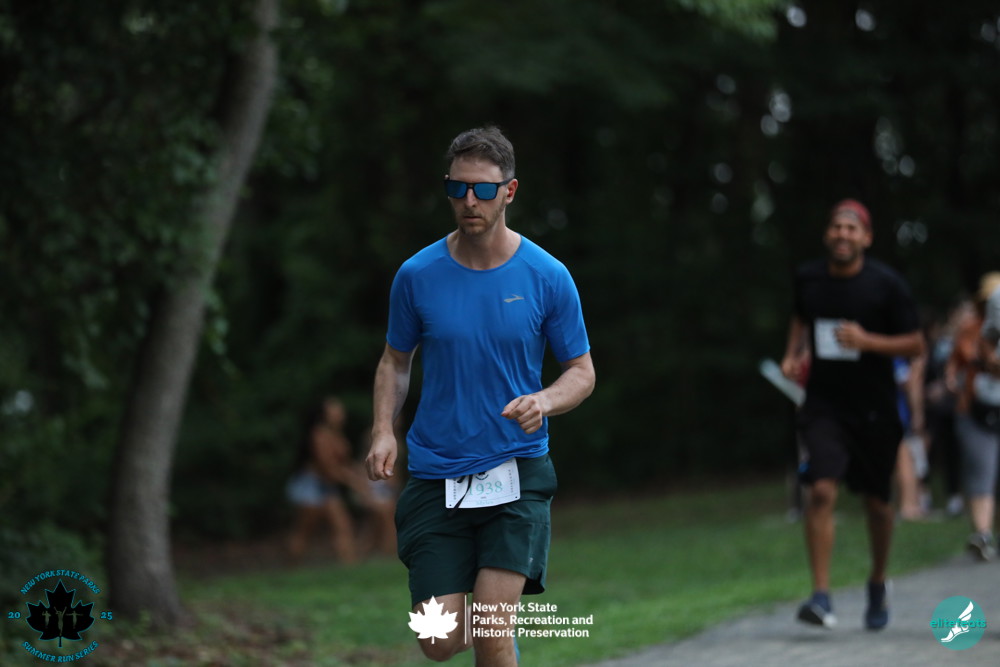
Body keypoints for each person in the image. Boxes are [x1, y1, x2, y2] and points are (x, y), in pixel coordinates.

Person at [365, 126, 595, 665]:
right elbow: (395, 360)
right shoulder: (417, 275)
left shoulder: (547, 275)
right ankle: (496, 621)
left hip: (516, 470)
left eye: (484, 190)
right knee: (437, 640)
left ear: (509, 192)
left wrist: (545, 400)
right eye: (458, 188)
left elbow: (581, 372)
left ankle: (499, 622)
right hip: (436, 474)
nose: (469, 201)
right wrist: (382, 430)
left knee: (492, 628)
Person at [780, 199, 924, 631]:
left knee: (878, 504)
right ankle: (821, 597)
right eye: (836, 226)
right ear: (827, 234)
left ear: (866, 238)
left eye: (851, 228)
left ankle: (878, 581)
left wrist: (867, 342)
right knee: (821, 490)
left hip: (874, 409)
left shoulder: (887, 285)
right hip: (824, 404)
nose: (842, 234)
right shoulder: (809, 278)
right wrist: (792, 355)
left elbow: (916, 344)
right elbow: (800, 318)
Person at [949, 272, 1000, 561]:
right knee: (982, 469)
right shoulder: (973, 329)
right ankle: (982, 534)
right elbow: (962, 358)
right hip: (976, 410)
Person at [286, 396, 372, 564]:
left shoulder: (337, 434)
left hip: (327, 487)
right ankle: (292, 565)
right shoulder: (318, 435)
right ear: (324, 414)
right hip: (311, 486)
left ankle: (349, 566)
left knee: (343, 525)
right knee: (305, 530)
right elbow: (328, 469)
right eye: (335, 410)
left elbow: (343, 464)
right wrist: (354, 482)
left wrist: (359, 475)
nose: (341, 413)